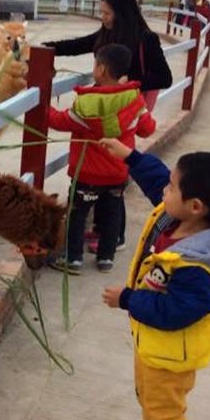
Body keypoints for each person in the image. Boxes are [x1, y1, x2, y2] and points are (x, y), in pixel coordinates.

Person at [99, 139, 210, 420]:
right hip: (152, 344)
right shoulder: (174, 218)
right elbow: (154, 179)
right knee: (148, 400)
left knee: (166, 414)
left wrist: (128, 299)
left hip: (172, 355)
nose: (164, 189)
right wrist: (131, 157)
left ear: (195, 206)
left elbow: (174, 311)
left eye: (172, 186)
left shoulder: (199, 269)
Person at [44, 0, 173, 252]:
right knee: (109, 172)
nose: (103, 17)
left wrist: (131, 80)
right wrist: (46, 49)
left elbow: (165, 77)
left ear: (121, 13)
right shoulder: (107, 34)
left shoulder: (145, 39)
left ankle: (116, 236)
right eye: (101, 12)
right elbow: (80, 45)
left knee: (118, 168)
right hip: (104, 109)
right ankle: (105, 233)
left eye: (107, 13)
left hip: (125, 108)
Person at [45, 44, 156, 274]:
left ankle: (73, 258)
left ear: (101, 69)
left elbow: (59, 121)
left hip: (86, 174)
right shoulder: (134, 100)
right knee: (111, 215)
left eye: (95, 64)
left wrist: (40, 106)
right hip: (117, 173)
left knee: (77, 214)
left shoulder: (86, 103)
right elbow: (147, 129)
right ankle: (106, 258)